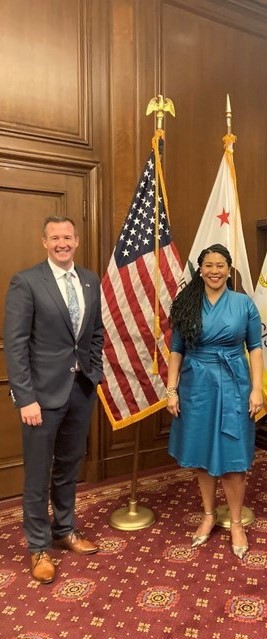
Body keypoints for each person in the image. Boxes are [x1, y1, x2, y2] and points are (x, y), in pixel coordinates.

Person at [4, 216, 104, 584]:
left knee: (68, 467)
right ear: (43, 242)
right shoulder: (27, 282)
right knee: (37, 475)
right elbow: (15, 346)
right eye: (54, 237)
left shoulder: (90, 280)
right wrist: (25, 397)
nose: (62, 243)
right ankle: (38, 548)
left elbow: (95, 332)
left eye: (67, 237)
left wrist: (94, 372)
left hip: (80, 391)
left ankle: (65, 529)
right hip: (40, 398)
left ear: (77, 240)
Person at [166, 244, 263, 559]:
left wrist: (257, 389)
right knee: (202, 454)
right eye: (208, 265)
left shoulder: (243, 303)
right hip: (196, 386)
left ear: (229, 268)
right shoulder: (186, 302)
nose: (214, 271)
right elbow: (176, 349)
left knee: (233, 456)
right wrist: (171, 389)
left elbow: (257, 347)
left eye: (220, 265)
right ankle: (208, 514)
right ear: (200, 268)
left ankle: (235, 521)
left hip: (234, 383)